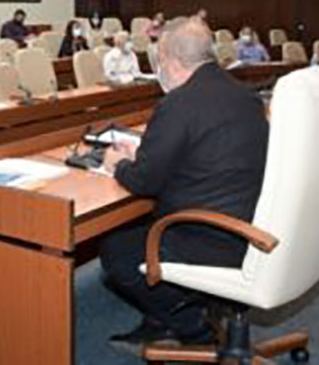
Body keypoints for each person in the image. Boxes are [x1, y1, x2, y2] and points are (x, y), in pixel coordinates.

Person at [98, 18, 269, 353]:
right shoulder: (244, 96)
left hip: (206, 235)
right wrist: (147, 153)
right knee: (141, 232)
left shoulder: (178, 103)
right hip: (249, 226)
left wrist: (117, 164)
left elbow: (144, 181)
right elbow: (209, 150)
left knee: (115, 250)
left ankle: (191, 328)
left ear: (170, 60)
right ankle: (165, 319)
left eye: (159, 59)